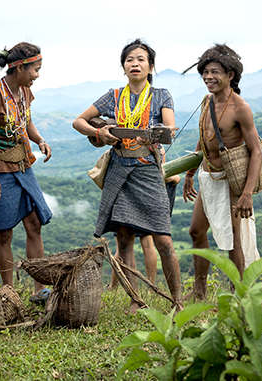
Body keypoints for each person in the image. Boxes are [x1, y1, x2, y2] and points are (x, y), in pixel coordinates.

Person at [73, 38, 183, 313]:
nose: (135, 64)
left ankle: (178, 301)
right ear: (123, 67)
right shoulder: (113, 96)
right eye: (129, 60)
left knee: (163, 239)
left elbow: (170, 130)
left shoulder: (161, 95)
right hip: (119, 170)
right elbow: (79, 121)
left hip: (147, 170)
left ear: (151, 66)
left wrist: (154, 134)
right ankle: (136, 300)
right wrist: (100, 133)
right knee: (123, 239)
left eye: (141, 60)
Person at [182, 44, 261, 300]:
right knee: (196, 231)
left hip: (231, 181)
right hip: (208, 176)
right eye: (205, 72)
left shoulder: (240, 108)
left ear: (230, 75)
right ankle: (200, 290)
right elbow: (204, 139)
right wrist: (191, 174)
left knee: (233, 239)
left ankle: (238, 295)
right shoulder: (207, 102)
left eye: (214, 72)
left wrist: (247, 193)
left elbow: (256, 152)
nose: (208, 77)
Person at [0, 42, 53, 303]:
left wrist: (39, 140)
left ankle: (39, 289)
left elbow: (26, 121)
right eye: (35, 69)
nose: (37, 75)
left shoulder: (24, 92)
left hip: (24, 166)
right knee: (5, 232)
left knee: (34, 223)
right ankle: (8, 291)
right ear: (19, 67)